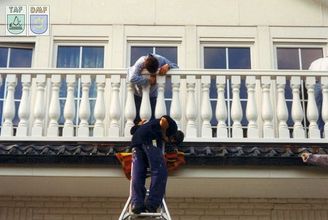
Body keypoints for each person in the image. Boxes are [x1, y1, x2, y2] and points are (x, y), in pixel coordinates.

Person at [130, 115, 184, 214]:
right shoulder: (173, 128)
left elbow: (133, 131)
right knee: (160, 172)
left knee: (138, 173)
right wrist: (164, 136)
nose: (170, 142)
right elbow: (164, 119)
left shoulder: (148, 125)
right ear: (174, 137)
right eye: (172, 141)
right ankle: (152, 204)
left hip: (136, 143)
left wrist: (139, 125)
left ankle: (137, 204)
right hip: (151, 140)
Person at [127, 54, 178, 123]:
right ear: (144, 65)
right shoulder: (140, 62)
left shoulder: (160, 59)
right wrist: (148, 81)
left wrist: (168, 66)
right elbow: (132, 78)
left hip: (153, 95)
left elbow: (176, 67)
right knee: (137, 121)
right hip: (138, 95)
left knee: (153, 121)